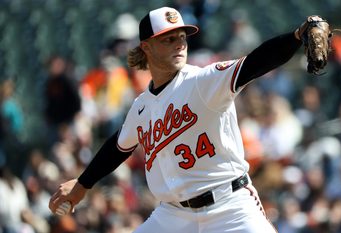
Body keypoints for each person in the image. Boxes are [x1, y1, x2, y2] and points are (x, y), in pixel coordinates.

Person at [49, 6, 315, 233]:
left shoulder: (202, 80)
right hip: (173, 217)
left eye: (182, 36)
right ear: (146, 47)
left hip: (229, 206)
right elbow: (118, 147)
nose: (179, 43)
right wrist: (82, 184)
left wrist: (295, 36)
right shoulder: (141, 106)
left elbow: (255, 63)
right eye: (168, 38)